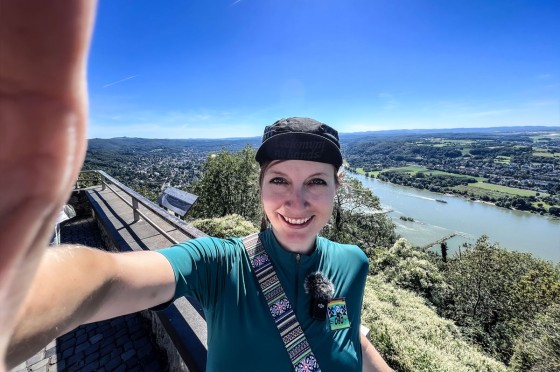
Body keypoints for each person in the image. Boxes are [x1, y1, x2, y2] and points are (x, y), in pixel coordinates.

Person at [1, 2, 391, 371]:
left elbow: (347, 335)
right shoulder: (220, 265)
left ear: (337, 187)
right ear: (260, 186)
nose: (297, 200)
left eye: (316, 182)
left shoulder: (353, 263)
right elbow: (103, 281)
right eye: (279, 179)